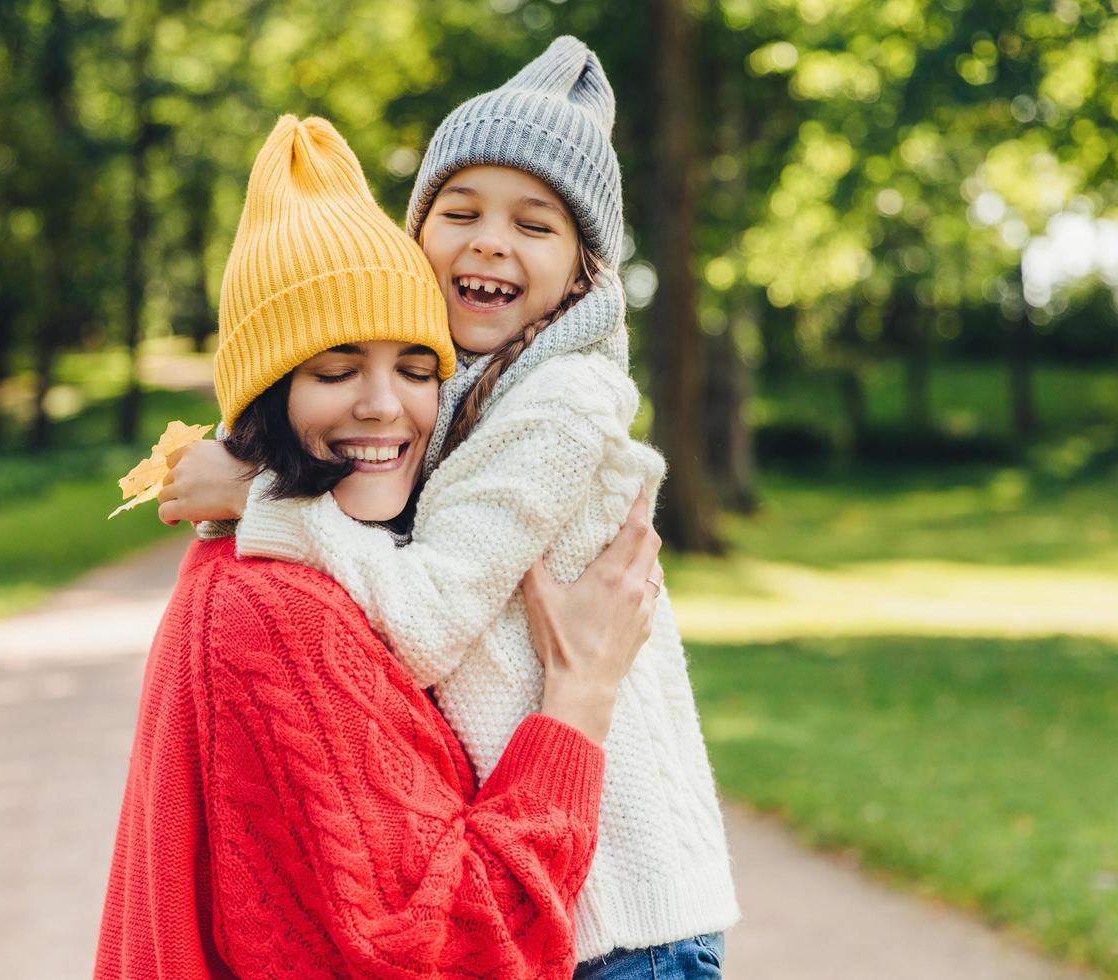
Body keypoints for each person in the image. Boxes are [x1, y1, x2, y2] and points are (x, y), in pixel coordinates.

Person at [159, 38, 738, 977]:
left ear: (586, 270)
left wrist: (266, 496)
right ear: (414, 233)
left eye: (535, 224)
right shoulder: (470, 393)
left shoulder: (560, 403)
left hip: (620, 917)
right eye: (458, 210)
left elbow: (424, 622)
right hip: (564, 887)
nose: (489, 241)